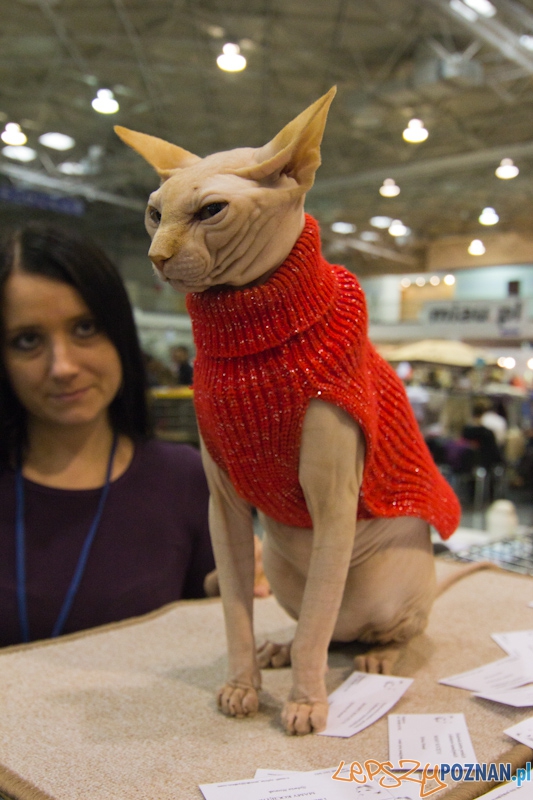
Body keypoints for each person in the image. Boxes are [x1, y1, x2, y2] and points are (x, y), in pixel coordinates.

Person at [0, 222, 217, 647]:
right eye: (28, 340)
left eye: (85, 329)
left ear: (119, 332)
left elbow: (200, 634)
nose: (62, 366)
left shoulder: (185, 479)